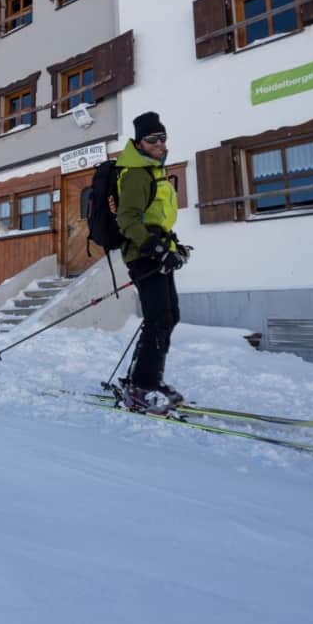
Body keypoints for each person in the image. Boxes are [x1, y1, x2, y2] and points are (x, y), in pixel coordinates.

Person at [115, 111, 191, 410]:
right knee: (158, 318)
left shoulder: (153, 170)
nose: (159, 144)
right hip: (143, 254)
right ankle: (141, 387)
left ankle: (144, 378)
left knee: (168, 316)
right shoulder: (136, 172)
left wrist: (174, 247)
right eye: (152, 139)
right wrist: (154, 248)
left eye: (162, 138)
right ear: (139, 142)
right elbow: (127, 219)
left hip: (156, 248)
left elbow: (156, 217)